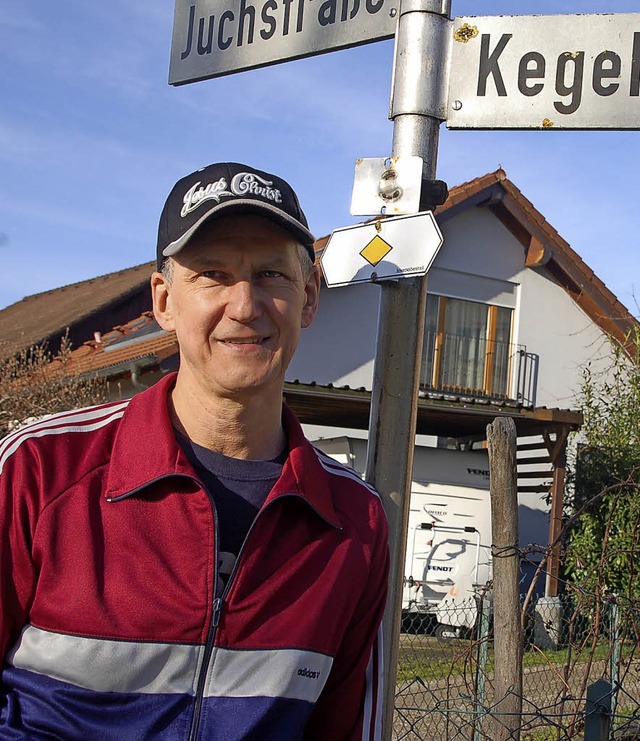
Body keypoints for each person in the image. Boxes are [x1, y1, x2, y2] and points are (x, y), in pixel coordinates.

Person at [0, 162, 389, 739]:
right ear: (164, 301)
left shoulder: (356, 522)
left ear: (308, 298)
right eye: (212, 274)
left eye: (270, 276)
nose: (244, 305)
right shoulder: (40, 471)